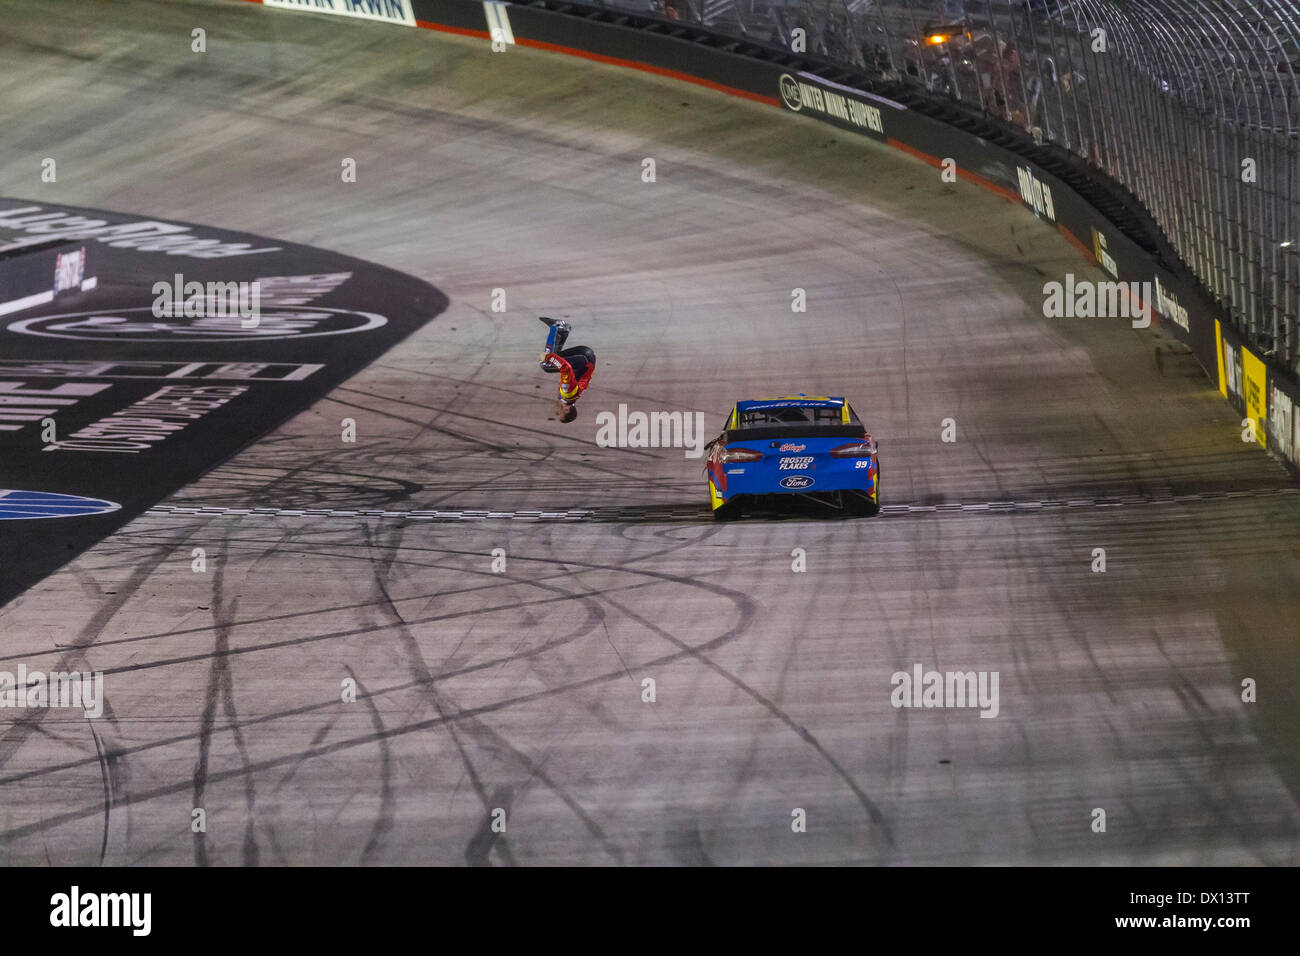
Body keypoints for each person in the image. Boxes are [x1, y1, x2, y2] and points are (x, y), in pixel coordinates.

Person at [538, 317, 595, 423]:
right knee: (546, 364)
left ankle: (563, 331)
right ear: (567, 409)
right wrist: (547, 357)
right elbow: (566, 368)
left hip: (586, 359)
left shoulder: (569, 398)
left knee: (556, 357)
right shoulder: (567, 393)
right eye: (559, 414)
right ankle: (557, 326)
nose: (556, 413)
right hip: (583, 359)